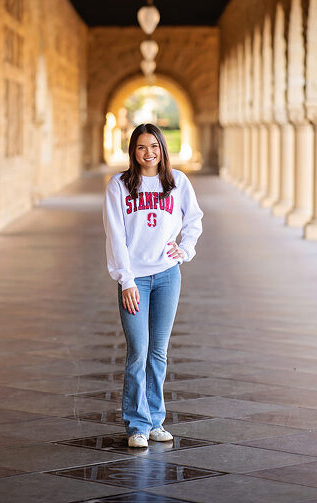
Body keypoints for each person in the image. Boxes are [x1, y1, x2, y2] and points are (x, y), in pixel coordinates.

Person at [103, 123, 203, 448]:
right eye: (142, 147)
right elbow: (115, 235)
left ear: (163, 149)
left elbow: (194, 219)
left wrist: (184, 250)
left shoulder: (176, 183)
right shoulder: (118, 185)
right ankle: (137, 425)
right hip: (134, 281)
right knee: (138, 352)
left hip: (167, 276)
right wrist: (126, 279)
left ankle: (156, 421)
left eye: (154, 147)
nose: (149, 153)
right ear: (133, 151)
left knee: (158, 353)